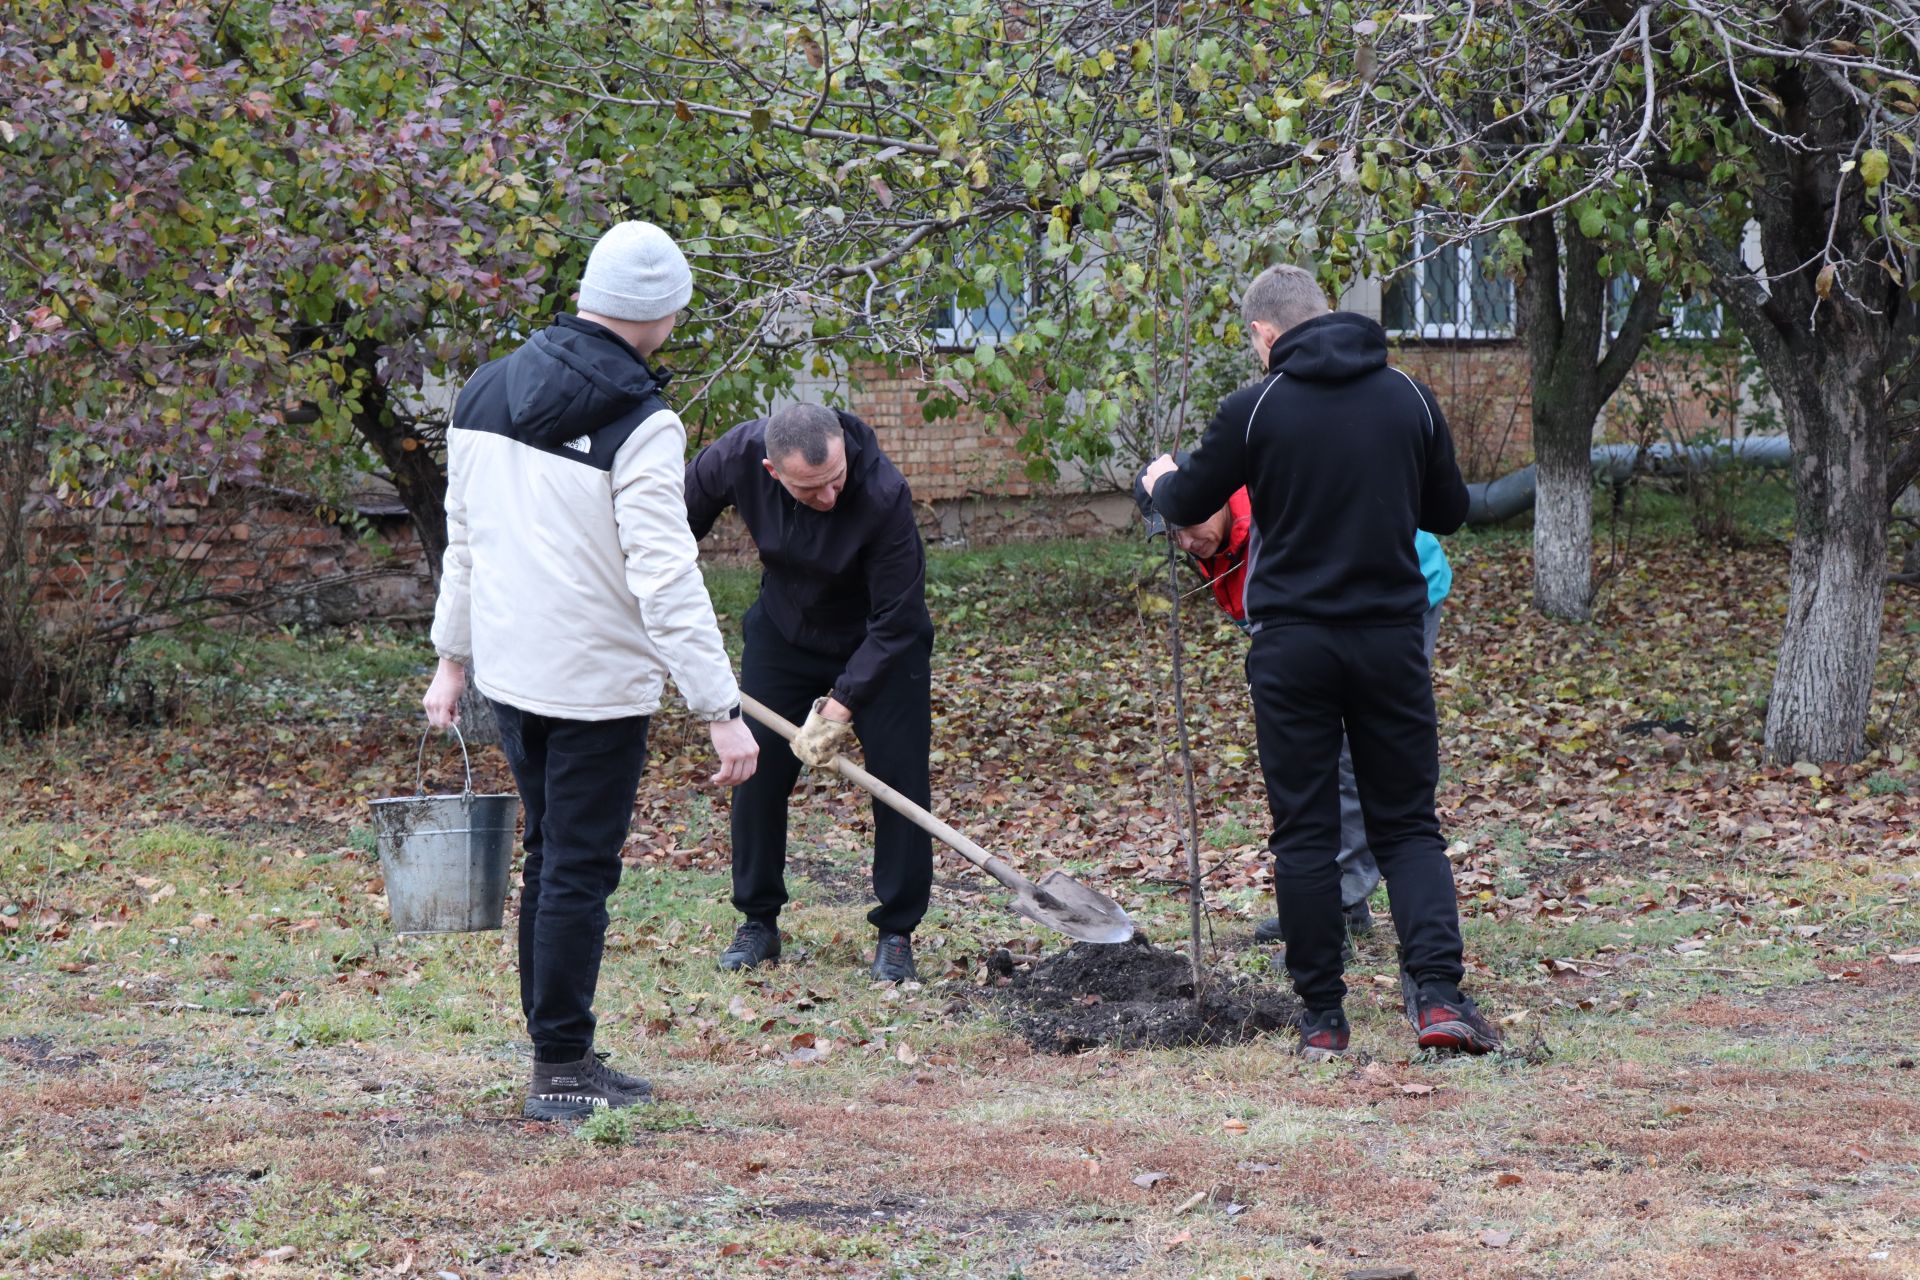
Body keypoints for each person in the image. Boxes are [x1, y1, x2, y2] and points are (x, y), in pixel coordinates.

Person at [423, 221, 760, 1121]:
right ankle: (561, 1067)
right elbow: (664, 572)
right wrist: (719, 706)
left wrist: (452, 660)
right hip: (593, 689)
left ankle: (557, 1049)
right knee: (576, 870)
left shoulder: (484, 389)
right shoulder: (644, 421)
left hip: (511, 675)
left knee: (552, 862)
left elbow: (465, 540)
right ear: (665, 314)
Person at [1140, 263, 1499, 1059]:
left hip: (1292, 646)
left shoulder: (1256, 405)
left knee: (1302, 834)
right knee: (1407, 825)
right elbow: (1452, 511)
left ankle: (1322, 1019)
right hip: (1390, 640)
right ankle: (1437, 999)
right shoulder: (1405, 394)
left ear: (1266, 336)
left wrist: (1162, 478)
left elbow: (1184, 503)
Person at [1130, 466, 1456, 951]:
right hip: (1323, 615)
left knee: (1355, 748)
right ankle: (1338, 897)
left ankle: (1339, 903)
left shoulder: (1271, 505)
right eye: (1171, 533)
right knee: (1315, 751)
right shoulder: (1212, 537)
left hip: (1400, 589)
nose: (1185, 541)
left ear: (1213, 495)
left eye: (1187, 522)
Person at [684, 402, 935, 982]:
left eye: (835, 481)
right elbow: (667, 527)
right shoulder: (735, 457)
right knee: (758, 770)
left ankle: (897, 932)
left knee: (900, 780)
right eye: (810, 489)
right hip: (786, 628)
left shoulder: (882, 492)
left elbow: (898, 620)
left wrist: (840, 706)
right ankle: (758, 922)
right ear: (773, 471)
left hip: (880, 640)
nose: (828, 498)